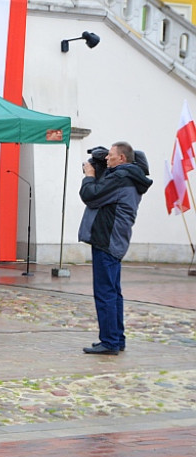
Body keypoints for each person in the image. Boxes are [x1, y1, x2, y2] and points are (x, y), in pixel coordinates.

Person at [79, 142, 152, 355]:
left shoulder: (121, 178)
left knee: (105, 292)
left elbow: (91, 195)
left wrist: (90, 175)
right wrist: (102, 168)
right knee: (113, 292)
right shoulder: (127, 176)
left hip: (107, 240)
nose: (107, 159)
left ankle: (110, 341)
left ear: (122, 159)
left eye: (110, 156)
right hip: (113, 239)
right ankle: (116, 338)